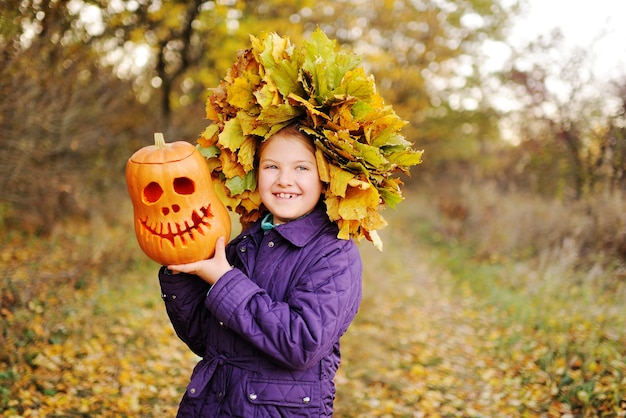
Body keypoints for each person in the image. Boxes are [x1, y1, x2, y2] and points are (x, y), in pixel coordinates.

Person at [159, 123, 363, 417]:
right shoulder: (246, 242)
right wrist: (181, 276)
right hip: (214, 405)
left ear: (326, 176)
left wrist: (224, 280)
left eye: (302, 168)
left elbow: (303, 342)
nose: (284, 180)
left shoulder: (334, 253)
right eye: (271, 167)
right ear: (256, 173)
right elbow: (207, 340)